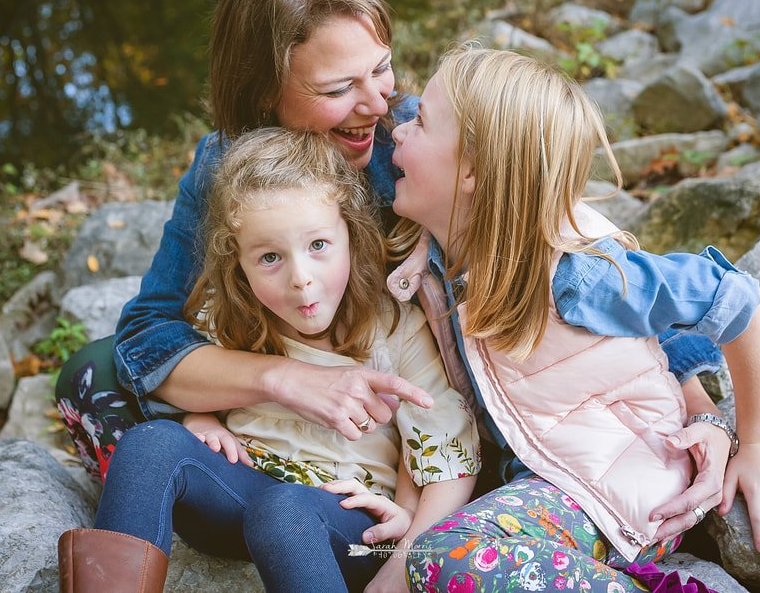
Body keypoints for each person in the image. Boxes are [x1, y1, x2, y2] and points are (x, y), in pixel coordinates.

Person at [54, 0, 734, 543]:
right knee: (90, 373)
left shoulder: (419, 148)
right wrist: (282, 381)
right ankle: (255, 492)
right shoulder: (224, 166)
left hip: (425, 434)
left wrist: (701, 419)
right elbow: (149, 333)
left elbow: (592, 267)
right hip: (283, 405)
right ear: (264, 94)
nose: (378, 105)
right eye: (338, 87)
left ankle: (350, 524)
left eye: (380, 68)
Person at [385, 46, 760, 592]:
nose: (398, 130)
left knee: (442, 557)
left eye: (420, 121)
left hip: (625, 486)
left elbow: (737, 298)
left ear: (472, 169)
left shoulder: (578, 274)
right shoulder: (441, 256)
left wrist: (757, 444)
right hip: (550, 477)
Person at [59, 128, 480, 593]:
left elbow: (446, 448)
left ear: (352, 235)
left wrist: (403, 541)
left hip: (352, 530)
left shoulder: (397, 328)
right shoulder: (228, 315)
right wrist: (198, 415)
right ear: (237, 260)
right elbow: (185, 378)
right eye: (270, 257)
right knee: (150, 445)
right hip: (239, 493)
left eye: (318, 245)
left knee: (284, 511)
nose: (301, 279)